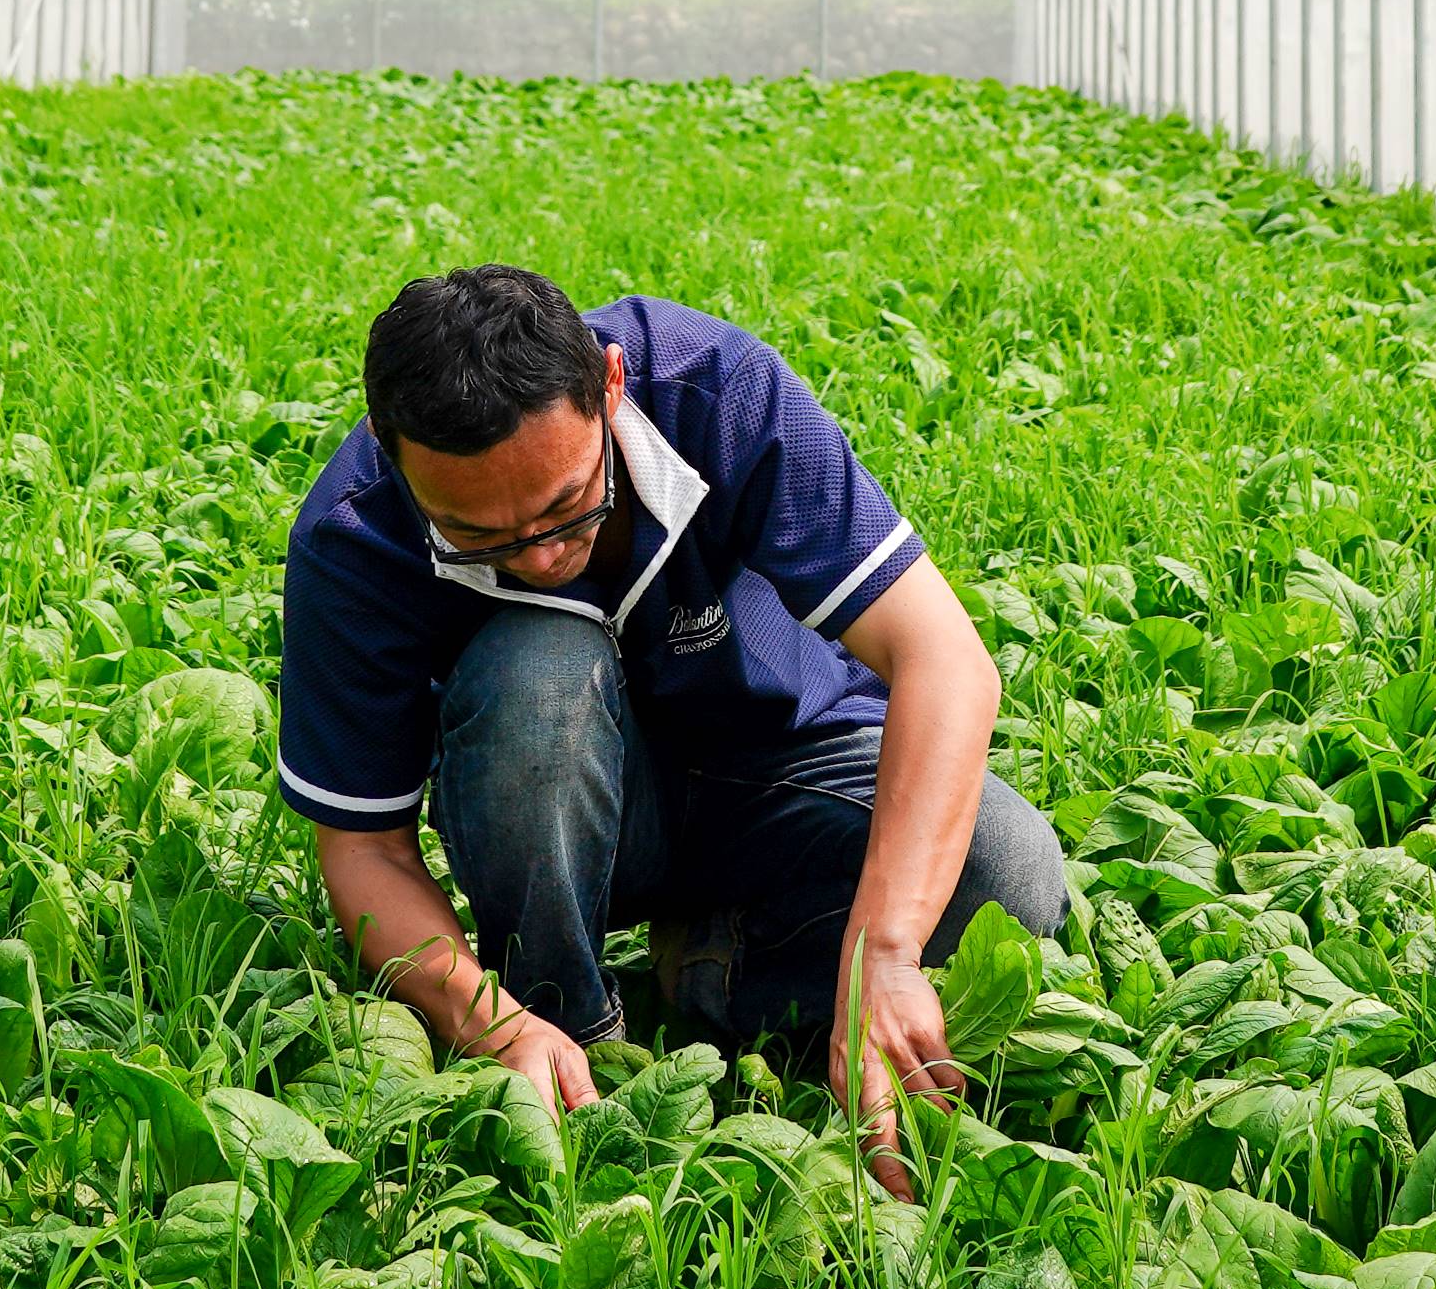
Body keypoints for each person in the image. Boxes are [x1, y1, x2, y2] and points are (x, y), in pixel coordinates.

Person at [279, 265, 1067, 1185]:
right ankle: (570, 1038)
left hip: (780, 770)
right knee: (539, 669)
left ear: (610, 386)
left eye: (566, 506)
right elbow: (363, 851)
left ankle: (721, 969)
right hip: (553, 820)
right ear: (390, 445)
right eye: (478, 535)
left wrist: (886, 950)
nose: (539, 559)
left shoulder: (718, 390)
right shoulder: (353, 532)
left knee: (1009, 870)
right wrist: (487, 1021)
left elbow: (944, 657)